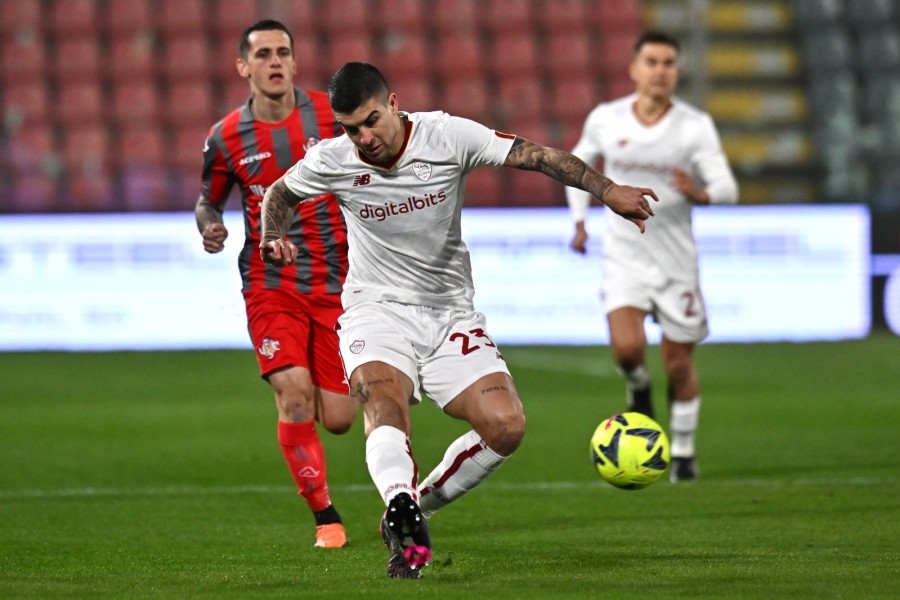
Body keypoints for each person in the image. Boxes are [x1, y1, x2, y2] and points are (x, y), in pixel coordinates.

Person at [259, 62, 658, 579]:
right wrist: (275, 236)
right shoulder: (334, 160)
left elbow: (537, 155)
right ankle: (399, 498)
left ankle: (409, 511)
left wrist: (607, 192)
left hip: (449, 313)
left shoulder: (447, 136)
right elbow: (279, 195)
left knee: (506, 426)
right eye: (350, 127)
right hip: (375, 309)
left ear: (394, 104)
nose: (363, 137)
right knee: (384, 402)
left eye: (371, 121)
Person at [194, 20, 357, 548]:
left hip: (338, 281)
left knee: (338, 418)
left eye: (283, 52)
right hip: (271, 283)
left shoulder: (331, 117)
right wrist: (211, 227)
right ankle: (326, 518)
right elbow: (207, 199)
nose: (274, 61)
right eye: (262, 54)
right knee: (293, 395)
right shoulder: (225, 137)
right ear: (243, 66)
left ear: (294, 60)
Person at [565, 31, 739, 483]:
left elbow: (727, 187)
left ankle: (681, 452)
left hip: (676, 261)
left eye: (668, 63)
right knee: (627, 349)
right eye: (652, 62)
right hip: (624, 256)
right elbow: (576, 169)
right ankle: (638, 387)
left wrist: (699, 192)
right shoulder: (607, 119)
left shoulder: (693, 126)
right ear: (635, 69)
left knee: (679, 363)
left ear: (676, 71)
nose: (660, 70)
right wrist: (580, 221)